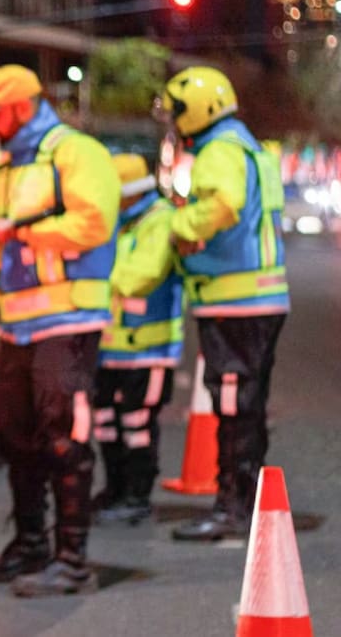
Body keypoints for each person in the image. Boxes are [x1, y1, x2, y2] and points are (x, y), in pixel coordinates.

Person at [0, 64, 120, 597]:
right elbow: (11, 240)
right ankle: (30, 545)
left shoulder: (74, 152)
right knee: (15, 435)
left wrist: (16, 232)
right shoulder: (8, 158)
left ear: (23, 106)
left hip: (69, 318)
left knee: (63, 438)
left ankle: (71, 559)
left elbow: (94, 221)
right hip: (19, 322)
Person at [159, 67, 289, 541]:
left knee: (233, 407)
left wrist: (181, 228)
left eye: (176, 110)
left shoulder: (219, 150)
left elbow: (223, 205)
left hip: (236, 302)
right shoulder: (250, 147)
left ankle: (233, 508)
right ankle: (245, 501)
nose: (173, 120)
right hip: (259, 300)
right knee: (246, 406)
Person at [91, 154, 184, 526]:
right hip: (107, 348)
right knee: (106, 423)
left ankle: (137, 496)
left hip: (148, 349)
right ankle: (114, 490)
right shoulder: (116, 223)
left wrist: (93, 279)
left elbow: (141, 275)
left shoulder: (160, 220)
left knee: (137, 423)